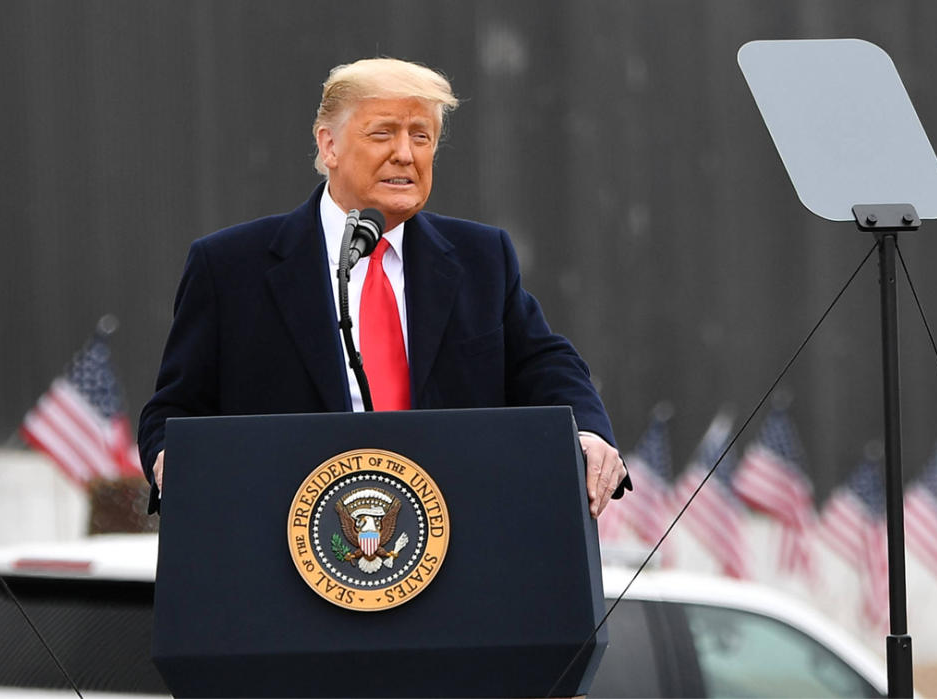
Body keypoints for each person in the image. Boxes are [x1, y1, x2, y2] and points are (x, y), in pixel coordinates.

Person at [139, 57, 629, 516]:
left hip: (451, 540)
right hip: (283, 545)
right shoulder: (230, 267)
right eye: (383, 134)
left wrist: (588, 432)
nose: (405, 154)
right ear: (328, 145)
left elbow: (545, 363)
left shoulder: (482, 258)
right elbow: (174, 410)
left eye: (422, 136)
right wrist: (171, 459)